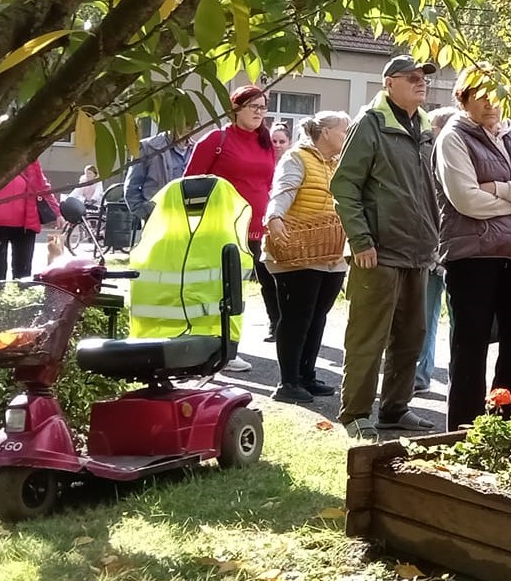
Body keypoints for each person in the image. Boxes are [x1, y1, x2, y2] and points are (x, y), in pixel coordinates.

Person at [332, 56, 442, 434]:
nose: (420, 83)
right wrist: (361, 240)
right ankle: (355, 415)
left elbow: (428, 191)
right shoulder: (371, 125)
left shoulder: (423, 128)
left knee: (412, 337)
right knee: (368, 336)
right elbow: (344, 185)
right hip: (376, 253)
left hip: (418, 251)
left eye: (424, 78)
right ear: (388, 83)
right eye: (411, 78)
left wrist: (434, 239)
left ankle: (395, 409)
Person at [434, 75, 511, 431]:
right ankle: (464, 431)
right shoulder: (453, 137)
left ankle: (505, 426)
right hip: (472, 256)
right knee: (471, 344)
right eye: (478, 96)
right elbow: (466, 200)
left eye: (495, 96)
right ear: (462, 99)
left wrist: (498, 188)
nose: (489, 103)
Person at [188, 86, 281, 368]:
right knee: (221, 290)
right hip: (221, 227)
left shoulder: (265, 143)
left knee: (242, 291)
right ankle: (216, 349)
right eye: (252, 106)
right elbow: (190, 182)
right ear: (235, 108)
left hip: (256, 229)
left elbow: (268, 184)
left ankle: (228, 348)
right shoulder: (217, 139)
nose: (258, 112)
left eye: (263, 107)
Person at [263, 110, 351, 405]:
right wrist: (274, 218)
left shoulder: (337, 163)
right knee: (297, 317)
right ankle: (288, 382)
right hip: (297, 248)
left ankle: (306, 376)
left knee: (317, 316)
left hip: (330, 250)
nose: (346, 135)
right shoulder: (296, 157)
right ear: (324, 132)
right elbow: (282, 190)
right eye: (342, 130)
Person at [416, 106, 460, 393]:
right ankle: (421, 375)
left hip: (451, 250)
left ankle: (430, 376)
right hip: (433, 251)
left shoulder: (450, 159)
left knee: (445, 319)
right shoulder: (425, 160)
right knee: (425, 317)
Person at [0, 160, 58, 282]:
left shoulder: (30, 162)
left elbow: (43, 187)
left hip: (25, 226)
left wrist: (57, 212)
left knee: (23, 271)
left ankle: (20, 299)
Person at [124, 125, 195, 218]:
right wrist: (148, 213)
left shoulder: (196, 149)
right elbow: (131, 189)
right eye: (186, 122)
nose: (189, 126)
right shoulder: (148, 147)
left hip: (187, 221)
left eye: (194, 122)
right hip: (157, 222)